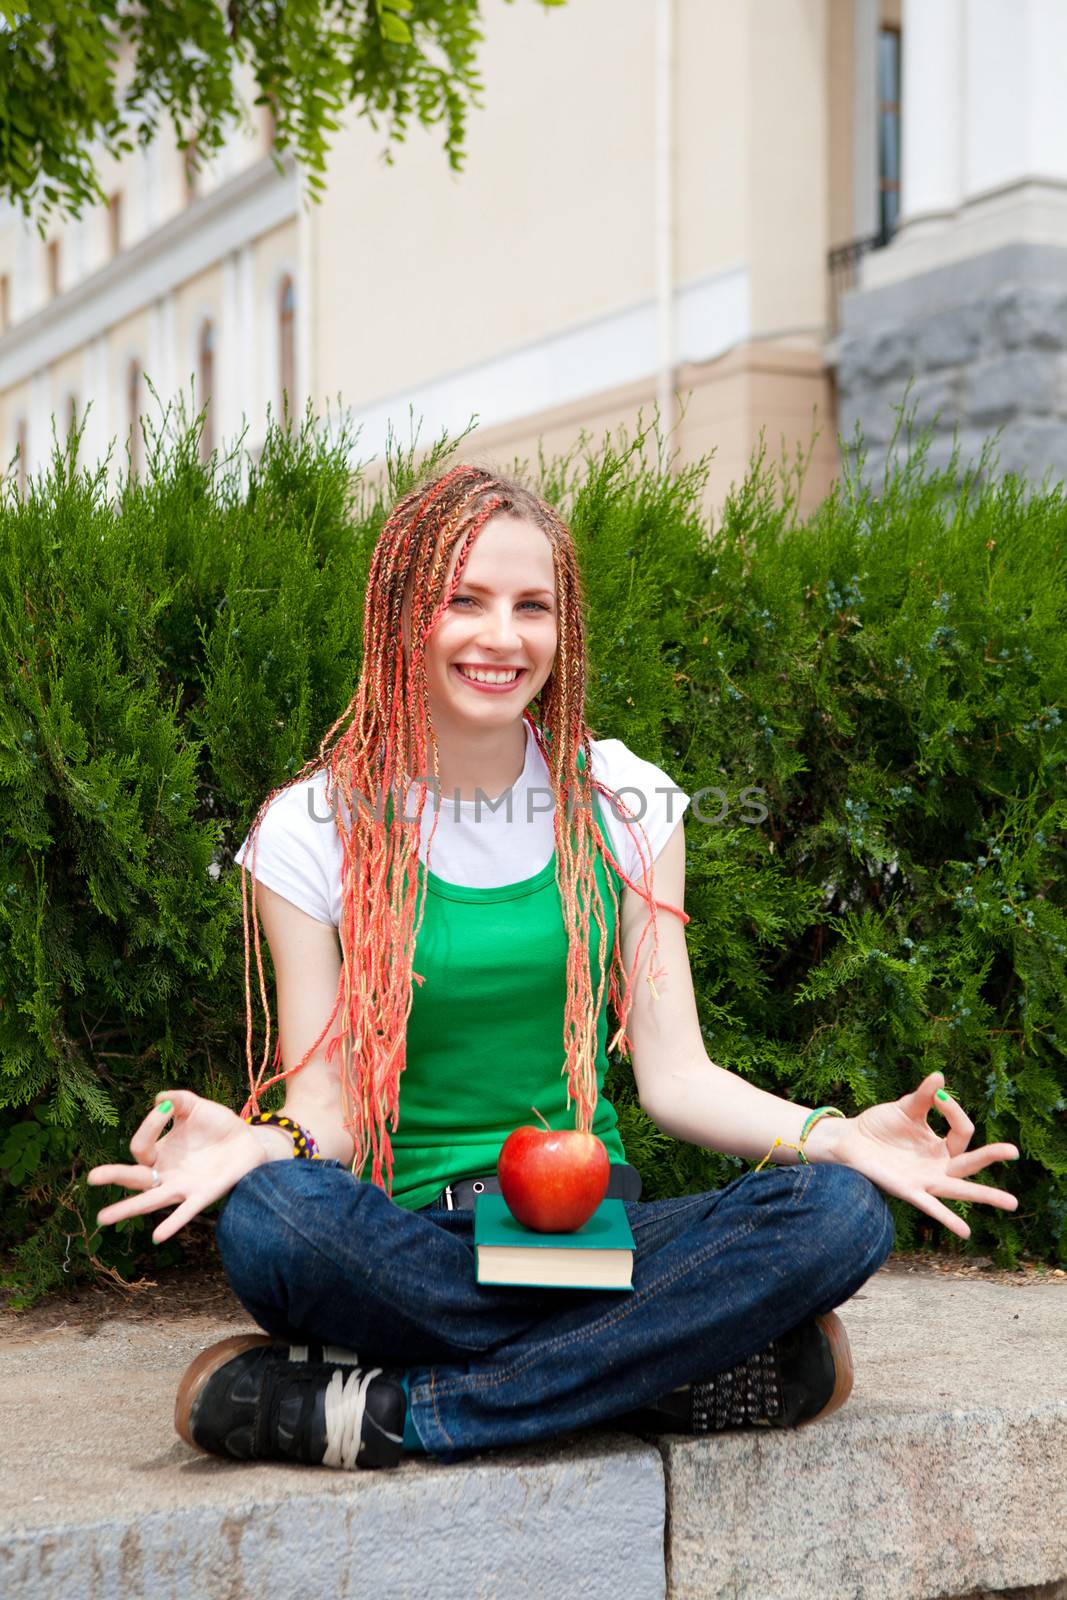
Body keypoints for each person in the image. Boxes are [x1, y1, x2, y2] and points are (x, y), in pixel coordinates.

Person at [88, 463, 1019, 1470]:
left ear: (560, 627)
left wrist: (830, 1136)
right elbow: (333, 1110)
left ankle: (400, 1410)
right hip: (406, 1250)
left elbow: (675, 1076)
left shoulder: (623, 801)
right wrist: (259, 1144)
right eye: (465, 601)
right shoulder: (313, 827)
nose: (502, 636)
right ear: (405, 616)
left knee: (836, 1214)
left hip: (586, 1240)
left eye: (532, 606)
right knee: (274, 1223)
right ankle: (668, 1369)